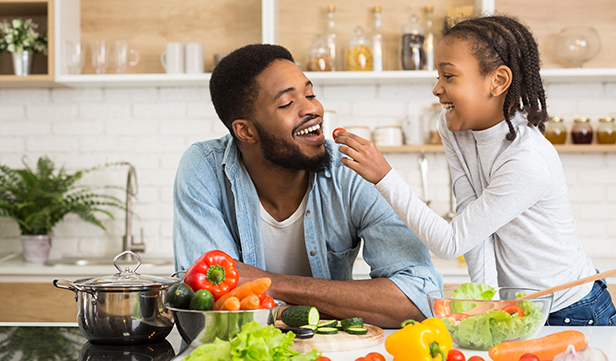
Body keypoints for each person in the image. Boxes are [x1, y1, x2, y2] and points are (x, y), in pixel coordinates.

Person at [334, 15, 615, 326]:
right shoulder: (454, 128)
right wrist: (487, 302)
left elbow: (450, 242)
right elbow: (473, 230)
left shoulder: (527, 159)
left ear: (497, 81)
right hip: (521, 309)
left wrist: (384, 177)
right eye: (438, 76)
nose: (437, 89)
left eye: (449, 76)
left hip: (573, 309)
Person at [172, 44, 442, 328]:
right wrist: (340, 302)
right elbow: (213, 307)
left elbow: (418, 299)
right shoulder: (204, 168)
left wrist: (272, 284)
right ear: (246, 131)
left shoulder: (351, 170)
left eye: (310, 94)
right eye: (287, 103)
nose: (312, 109)